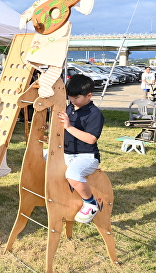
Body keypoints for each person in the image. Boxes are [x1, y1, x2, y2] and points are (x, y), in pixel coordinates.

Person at [58, 74, 104, 224]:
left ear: (89, 95)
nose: (72, 101)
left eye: (76, 98)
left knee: (73, 173)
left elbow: (91, 139)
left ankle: (90, 203)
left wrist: (69, 127)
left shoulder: (95, 114)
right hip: (67, 152)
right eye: (69, 97)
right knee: (42, 158)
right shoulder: (70, 107)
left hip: (87, 156)